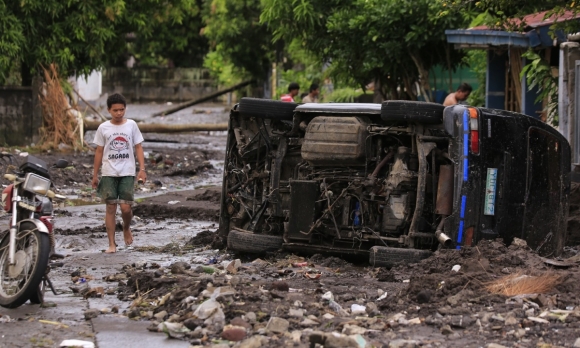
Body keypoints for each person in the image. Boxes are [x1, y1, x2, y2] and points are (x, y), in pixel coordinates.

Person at [92, 93, 146, 253]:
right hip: (109, 172)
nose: (119, 113)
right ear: (109, 110)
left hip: (127, 171)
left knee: (125, 208)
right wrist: (95, 175)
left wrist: (142, 169)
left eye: (122, 109)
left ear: (125, 109)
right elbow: (99, 151)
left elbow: (138, 147)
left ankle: (126, 227)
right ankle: (111, 244)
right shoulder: (103, 128)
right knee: (110, 207)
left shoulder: (131, 125)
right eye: (115, 110)